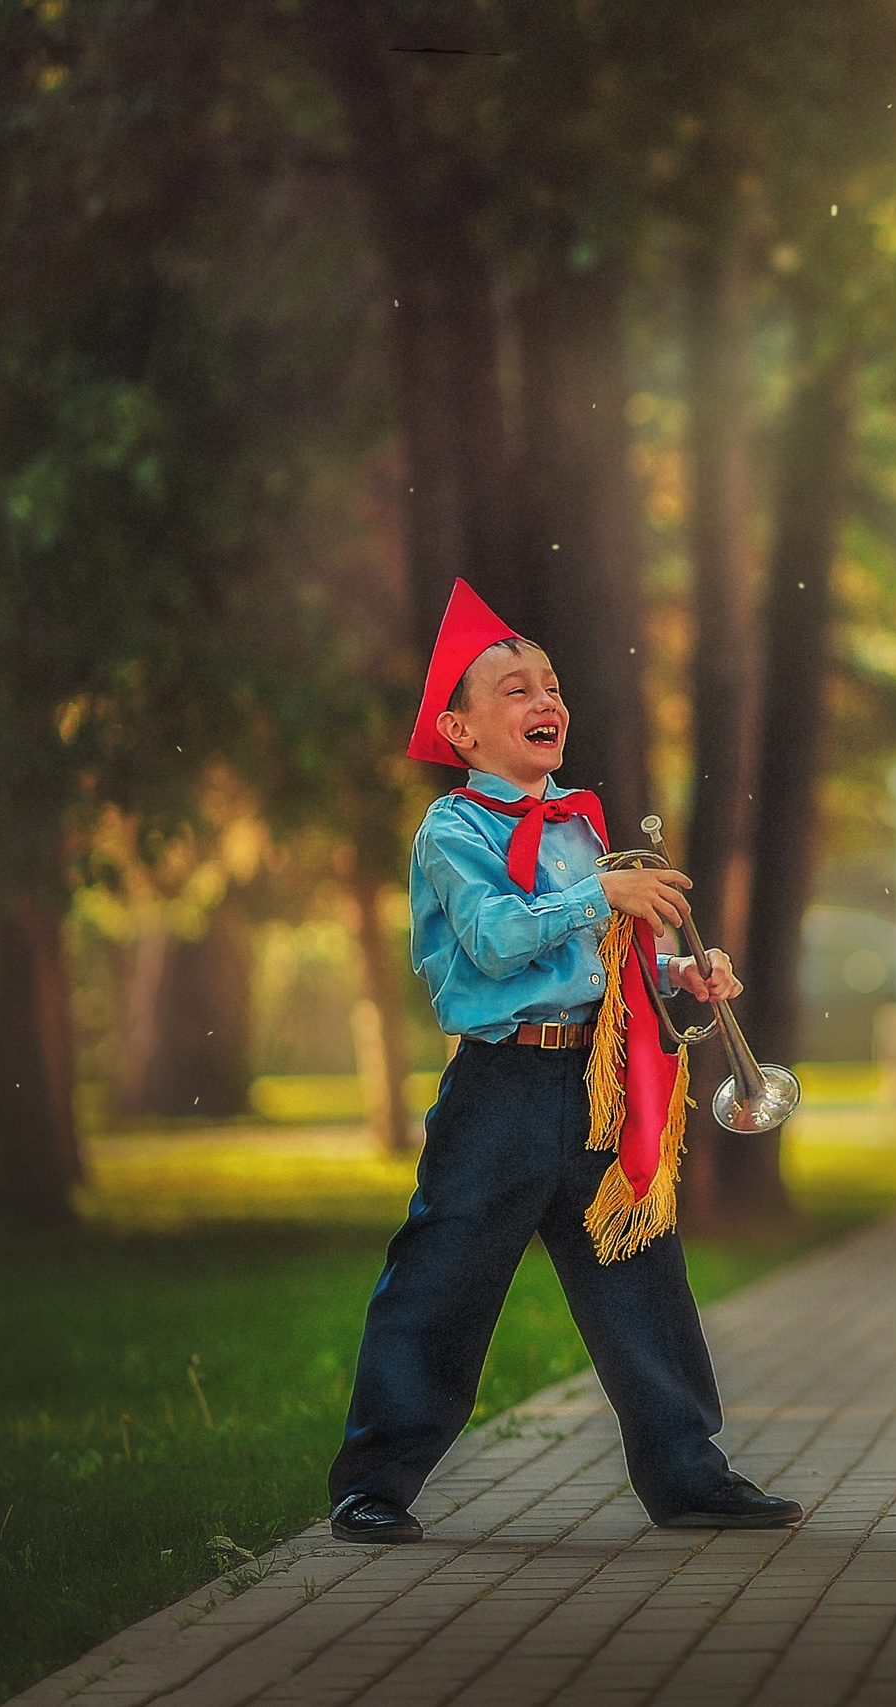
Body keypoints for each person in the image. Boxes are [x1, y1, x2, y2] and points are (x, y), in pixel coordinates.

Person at [326, 579, 801, 1544]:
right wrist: (606, 894)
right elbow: (500, 941)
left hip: (595, 1079)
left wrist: (678, 968)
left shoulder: (582, 827)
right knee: (443, 1277)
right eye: (514, 688)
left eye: (550, 684)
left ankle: (688, 1475)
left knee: (641, 1268)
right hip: (499, 1087)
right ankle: (373, 1480)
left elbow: (597, 962)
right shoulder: (453, 830)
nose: (546, 700)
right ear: (459, 732)